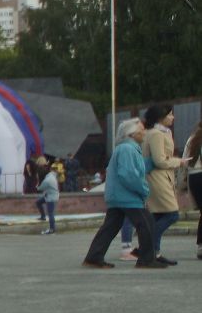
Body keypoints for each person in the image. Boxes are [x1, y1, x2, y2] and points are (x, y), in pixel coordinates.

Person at [82, 119, 162, 269]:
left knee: (111, 227)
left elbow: (138, 167)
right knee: (146, 222)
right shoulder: (128, 149)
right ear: (131, 134)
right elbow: (129, 174)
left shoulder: (127, 149)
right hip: (127, 197)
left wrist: (156, 161)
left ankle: (94, 257)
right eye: (141, 131)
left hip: (118, 196)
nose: (144, 133)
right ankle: (146, 259)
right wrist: (144, 189)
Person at [140, 104, 182, 267]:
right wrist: (179, 162)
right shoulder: (157, 134)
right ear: (160, 117)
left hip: (156, 177)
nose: (173, 117)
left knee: (157, 215)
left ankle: (153, 252)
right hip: (159, 178)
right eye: (170, 115)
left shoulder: (154, 132)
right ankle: (149, 249)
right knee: (172, 214)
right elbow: (160, 160)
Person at [185, 122, 202, 260]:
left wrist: (181, 184)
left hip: (194, 177)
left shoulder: (192, 139)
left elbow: (185, 162)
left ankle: (201, 246)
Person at [36, 161, 59, 235]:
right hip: (50, 196)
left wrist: (37, 185)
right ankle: (43, 216)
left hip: (50, 198)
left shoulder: (47, 180)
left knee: (50, 213)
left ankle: (52, 229)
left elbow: (40, 188)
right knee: (38, 202)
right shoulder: (51, 175)